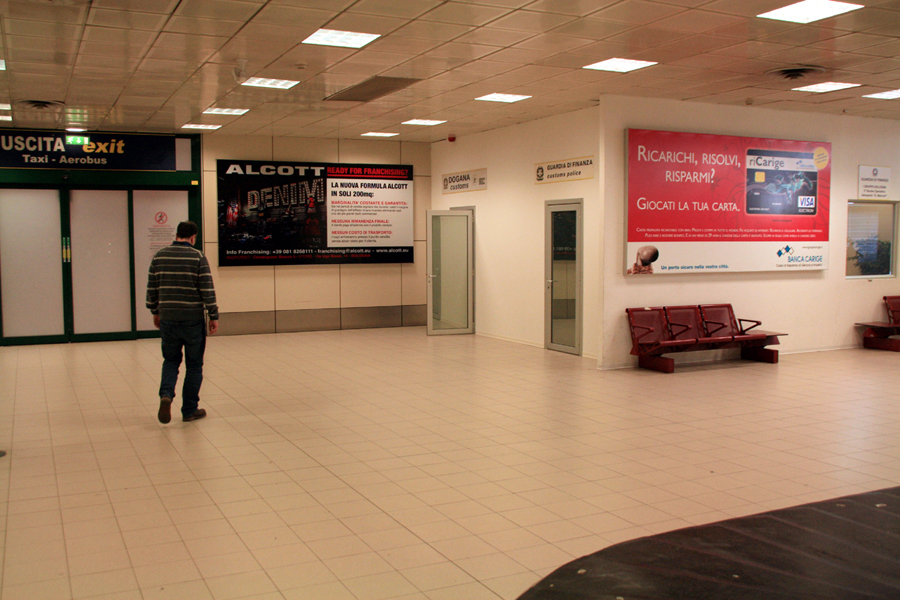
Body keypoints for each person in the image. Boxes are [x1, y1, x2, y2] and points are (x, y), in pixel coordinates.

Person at [146, 221, 218, 423]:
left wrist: (155, 311)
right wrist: (213, 315)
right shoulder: (197, 257)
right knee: (194, 366)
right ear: (193, 237)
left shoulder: (159, 256)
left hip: (168, 318)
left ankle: (166, 395)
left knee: (170, 361)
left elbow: (152, 288)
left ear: (176, 234)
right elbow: (207, 288)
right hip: (192, 320)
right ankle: (189, 410)